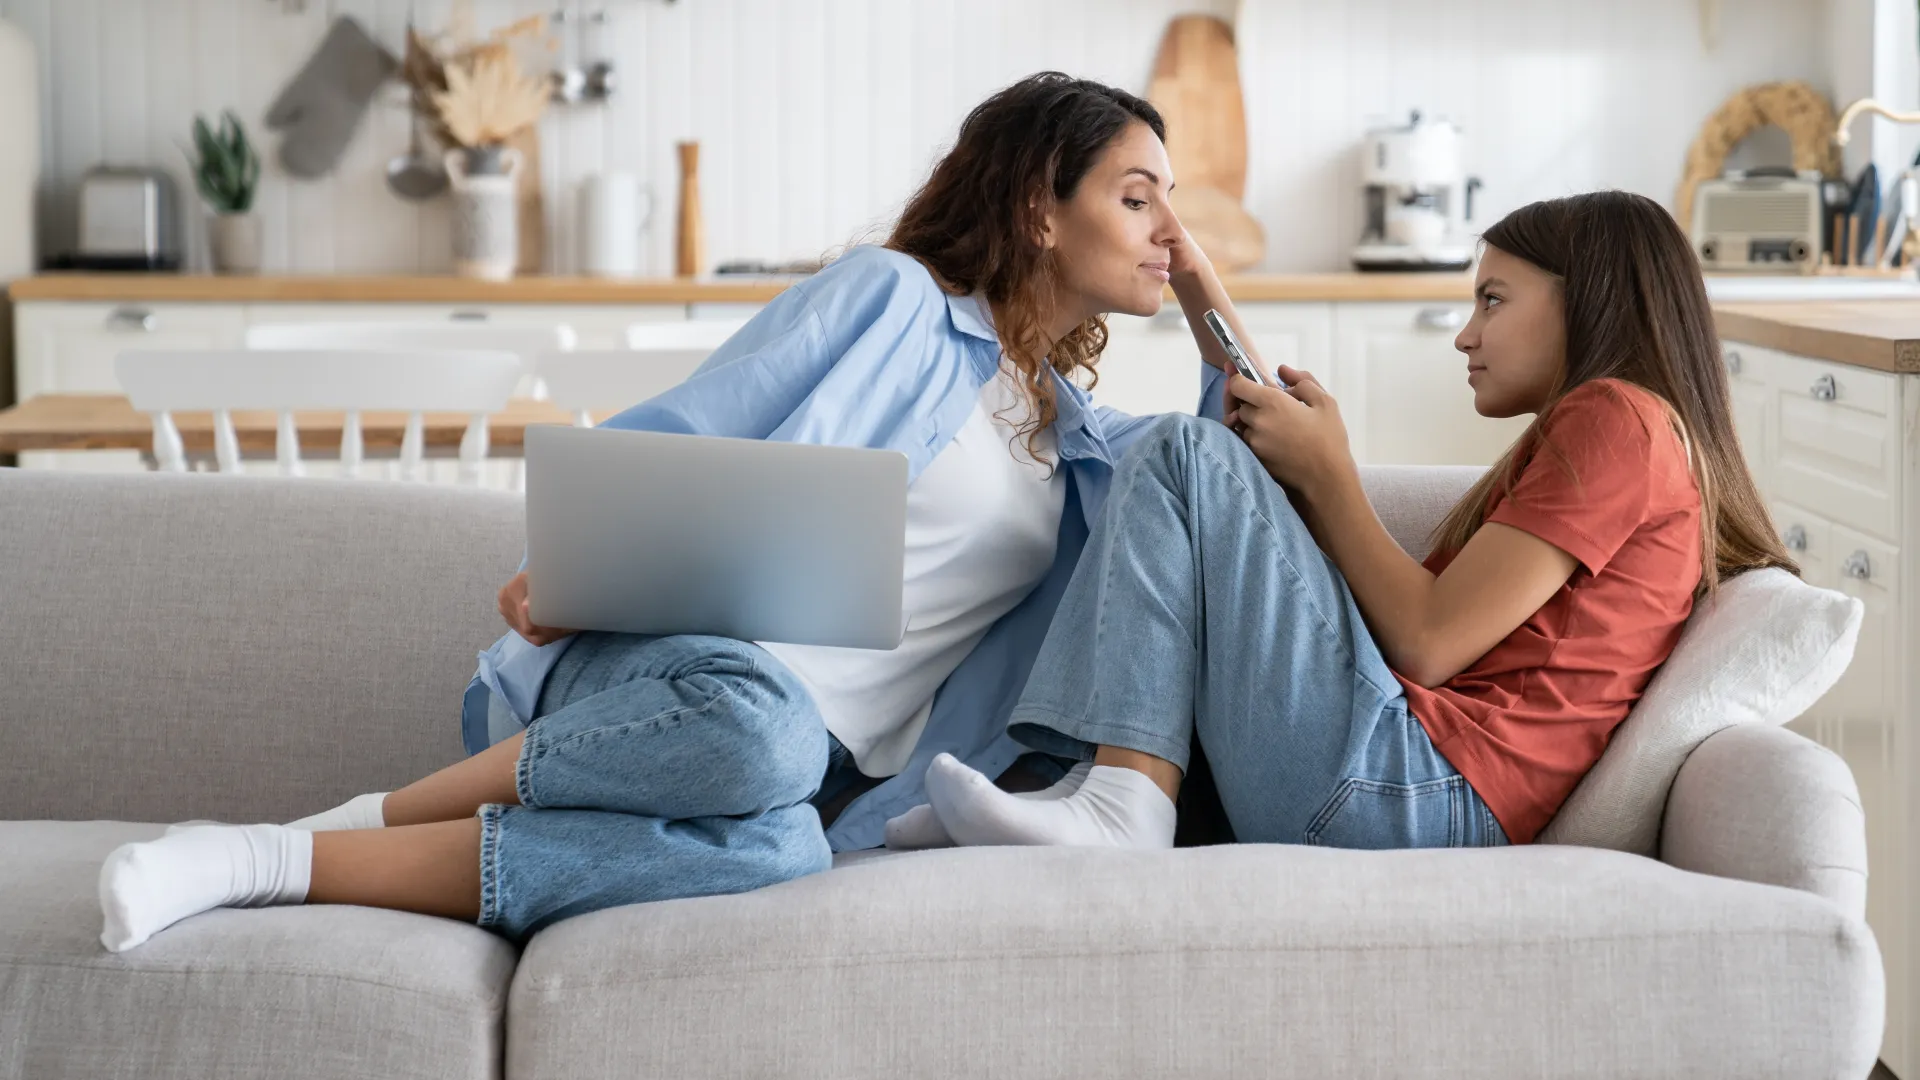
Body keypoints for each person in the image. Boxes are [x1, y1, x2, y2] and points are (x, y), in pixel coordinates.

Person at [94, 71, 1264, 952]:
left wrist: (1210, 295)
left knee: (789, 842)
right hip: (672, 681)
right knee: (763, 728)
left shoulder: (1087, 449)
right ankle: (355, 817)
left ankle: (272, 861)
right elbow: (694, 429)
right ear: (1039, 211)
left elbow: (1226, 471)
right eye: (1138, 196)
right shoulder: (897, 301)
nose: (1173, 230)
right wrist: (574, 561)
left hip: (806, 776)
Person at [906, 191, 1799, 852]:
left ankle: (1114, 800)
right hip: (1403, 779)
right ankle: (1081, 787)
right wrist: (1195, 279)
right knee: (1206, 462)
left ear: (1590, 298)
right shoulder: (1612, 435)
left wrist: (1332, 477)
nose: (1465, 334)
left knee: (1185, 451)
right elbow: (1289, 542)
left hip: (1414, 794)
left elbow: (1426, 640)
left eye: (1494, 299)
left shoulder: (1620, 422)